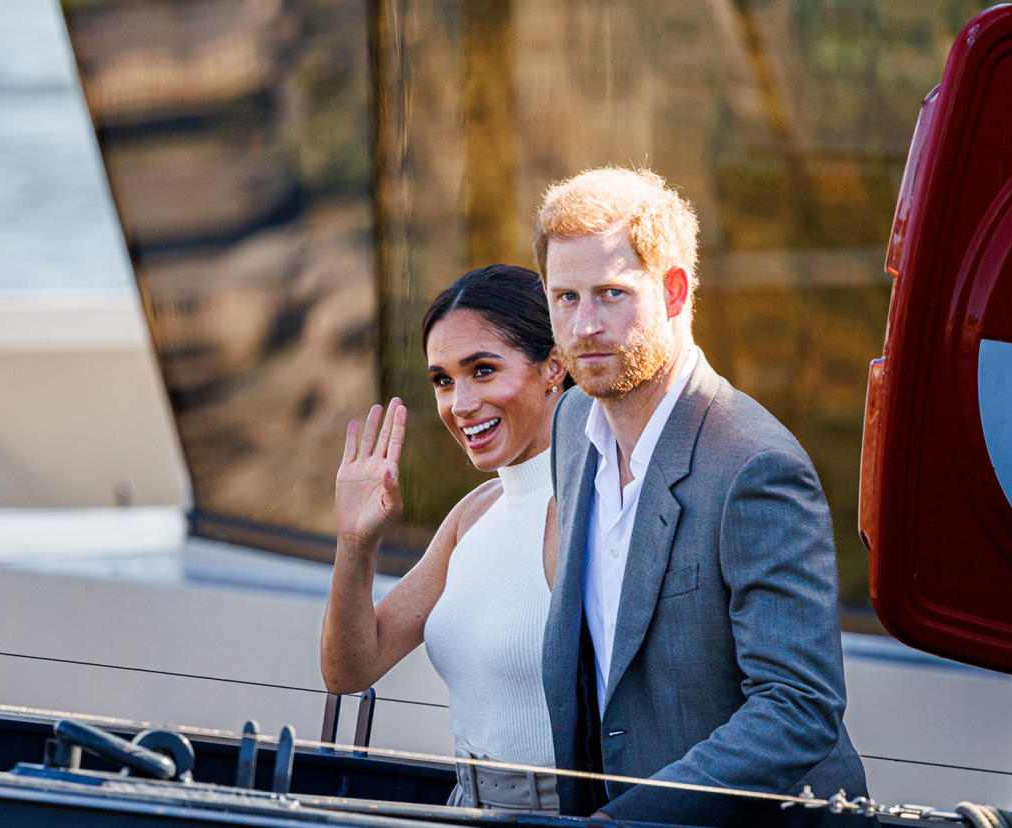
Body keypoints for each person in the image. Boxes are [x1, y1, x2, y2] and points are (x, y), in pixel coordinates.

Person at [535, 166, 871, 827]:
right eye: (565, 297)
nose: (585, 326)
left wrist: (627, 821)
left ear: (674, 291)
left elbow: (797, 709)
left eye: (610, 293)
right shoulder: (570, 425)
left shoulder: (756, 465)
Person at [320, 264, 568, 813]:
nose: (459, 404)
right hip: (460, 804)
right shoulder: (474, 513)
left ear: (554, 364)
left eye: (482, 370)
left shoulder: (595, 508)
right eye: (443, 379)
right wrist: (355, 545)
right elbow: (351, 670)